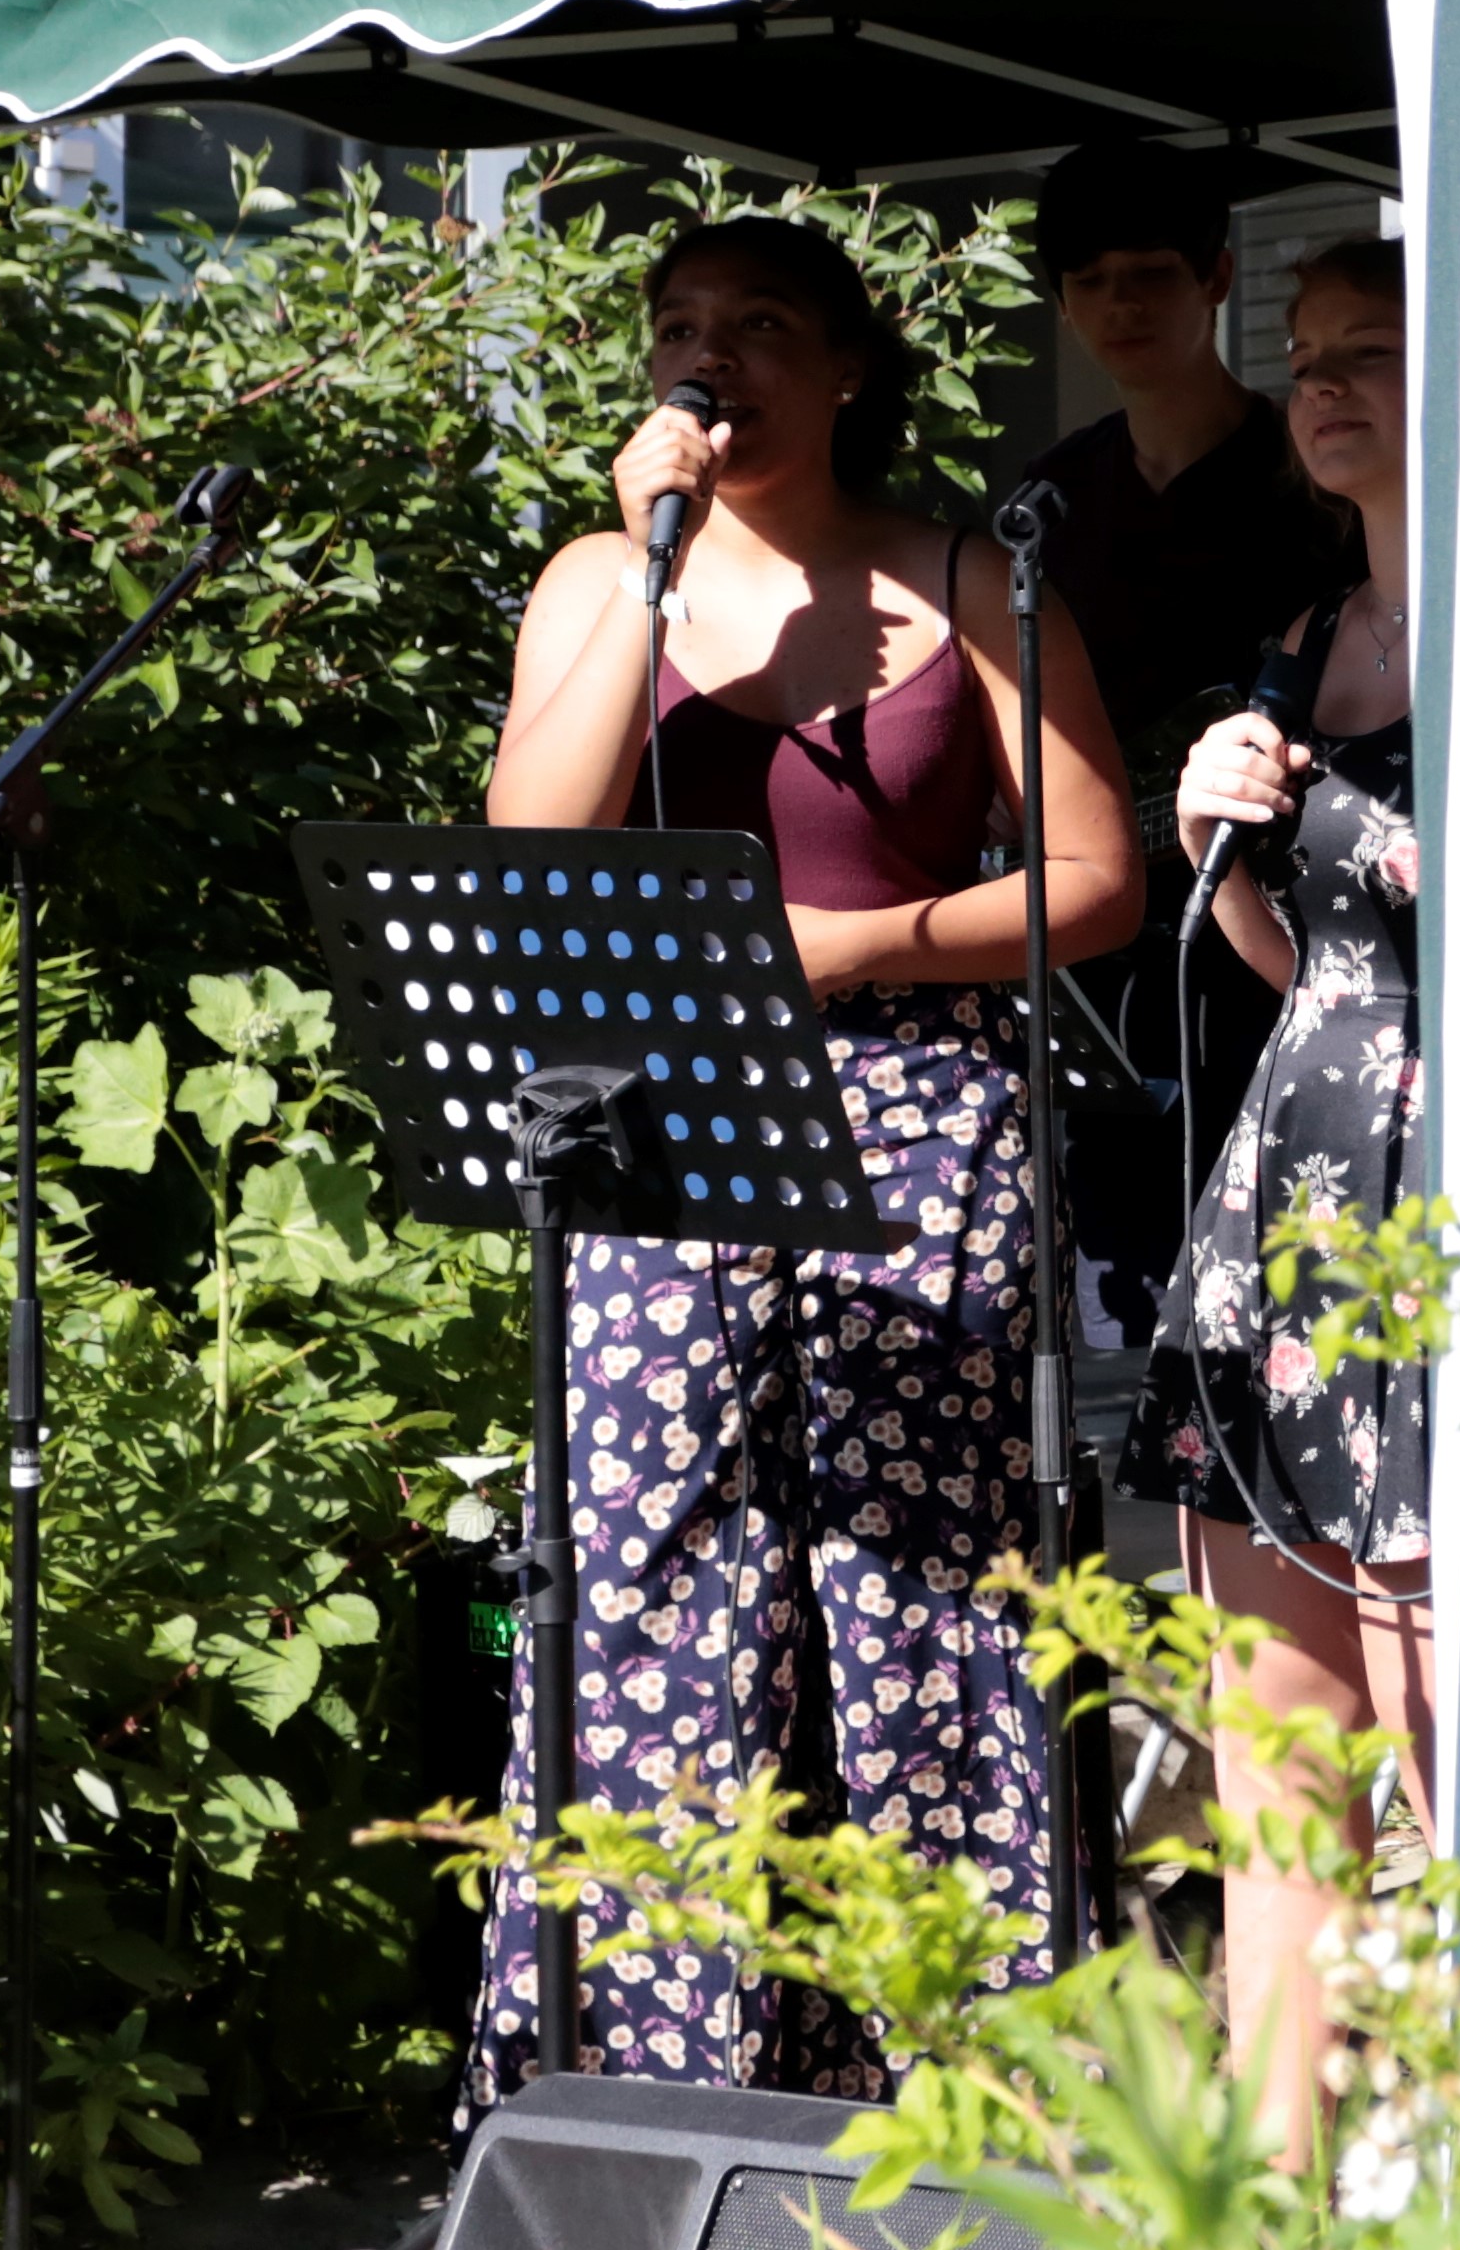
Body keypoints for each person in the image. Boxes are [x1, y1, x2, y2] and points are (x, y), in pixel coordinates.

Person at [467, 214, 1144, 2112]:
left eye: (760, 325)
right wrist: (647, 582)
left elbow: (1098, 877)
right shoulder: (600, 575)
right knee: (657, 1582)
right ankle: (658, 2085)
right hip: (664, 1132)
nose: (712, 358)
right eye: (679, 325)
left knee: (913, 1593)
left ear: (847, 365)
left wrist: (858, 945)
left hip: (922, 1123)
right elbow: (529, 854)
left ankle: (946, 2086)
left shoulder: (963, 573)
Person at [1106, 239, 1430, 2150]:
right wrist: (1207, 839)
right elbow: (1298, 965)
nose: (1321, 383)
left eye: (1370, 350)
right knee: (1277, 1762)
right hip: (1286, 1208)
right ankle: (1270, 2176)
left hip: (1454, 1216)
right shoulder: (1308, 636)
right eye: (1305, 353)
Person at [1004, 140, 1360, 1356]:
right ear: (1061, 299)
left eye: (1152, 272)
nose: (1122, 304)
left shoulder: (1316, 474)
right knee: (1126, 1293)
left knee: (1292, 1288)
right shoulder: (1046, 501)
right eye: (1091, 279)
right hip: (1104, 968)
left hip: (1290, 945)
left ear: (1215, 275)